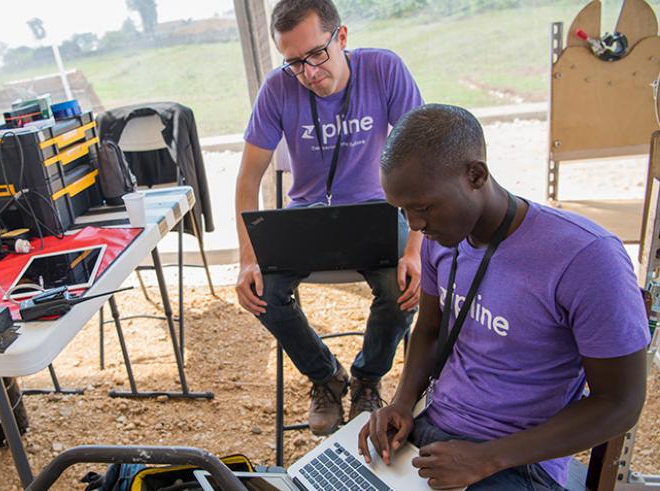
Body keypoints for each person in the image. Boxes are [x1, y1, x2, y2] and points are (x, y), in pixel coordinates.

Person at [358, 103, 650, 489]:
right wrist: (402, 402)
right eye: (403, 211)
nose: (415, 224)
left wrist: (487, 458)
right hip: (434, 433)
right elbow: (429, 328)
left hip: (517, 462)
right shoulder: (439, 238)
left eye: (423, 207)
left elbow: (620, 403)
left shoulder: (585, 256)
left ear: (475, 175)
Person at [235, 0, 425, 436]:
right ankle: (326, 377)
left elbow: (424, 163)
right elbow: (248, 179)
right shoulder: (277, 88)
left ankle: (367, 379)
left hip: (376, 211)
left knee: (402, 288)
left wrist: (417, 250)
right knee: (262, 292)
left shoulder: (384, 69)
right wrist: (248, 258)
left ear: (341, 37)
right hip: (306, 215)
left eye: (317, 54)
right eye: (294, 62)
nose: (308, 72)